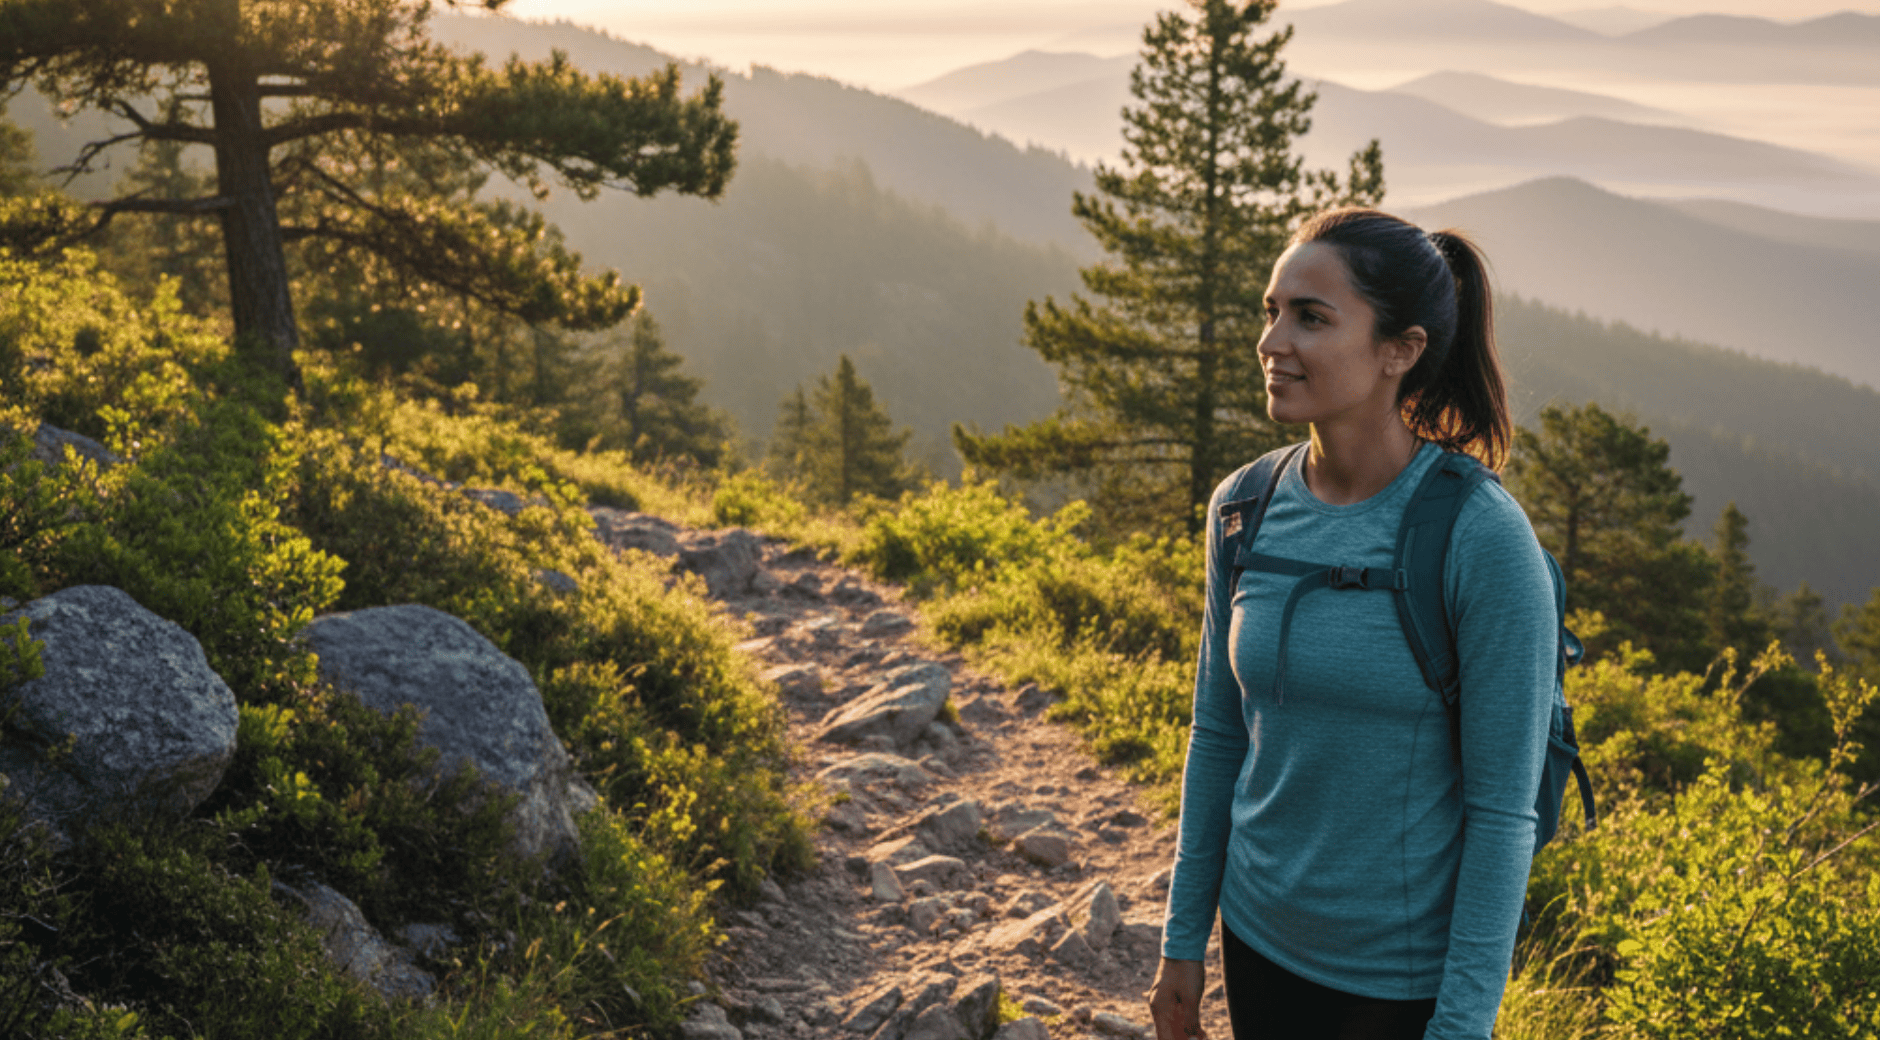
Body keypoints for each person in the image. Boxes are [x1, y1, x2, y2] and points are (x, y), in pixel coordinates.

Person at [1145, 208, 1557, 1040]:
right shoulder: (1244, 507)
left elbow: (1503, 813)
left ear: (1398, 351)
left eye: (1311, 317)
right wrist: (1182, 940)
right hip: (1255, 936)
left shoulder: (1480, 537)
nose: (1272, 341)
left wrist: (1463, 1025)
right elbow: (1217, 736)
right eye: (1271, 311)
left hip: (1395, 982)